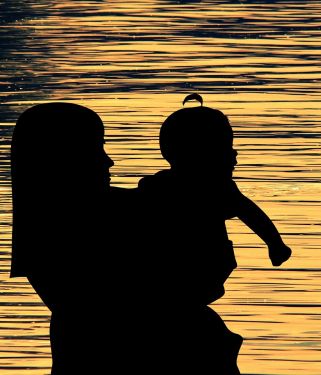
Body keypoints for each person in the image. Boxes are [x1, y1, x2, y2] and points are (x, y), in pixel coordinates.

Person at [136, 94, 292, 373]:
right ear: (198, 152)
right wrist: (275, 244)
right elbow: (251, 213)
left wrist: (275, 244)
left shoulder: (156, 186)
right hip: (190, 274)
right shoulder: (213, 188)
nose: (234, 156)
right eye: (225, 148)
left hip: (181, 280)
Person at [10, 102, 134, 374]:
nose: (108, 160)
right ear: (64, 158)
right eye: (96, 148)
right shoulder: (103, 216)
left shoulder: (43, 232)